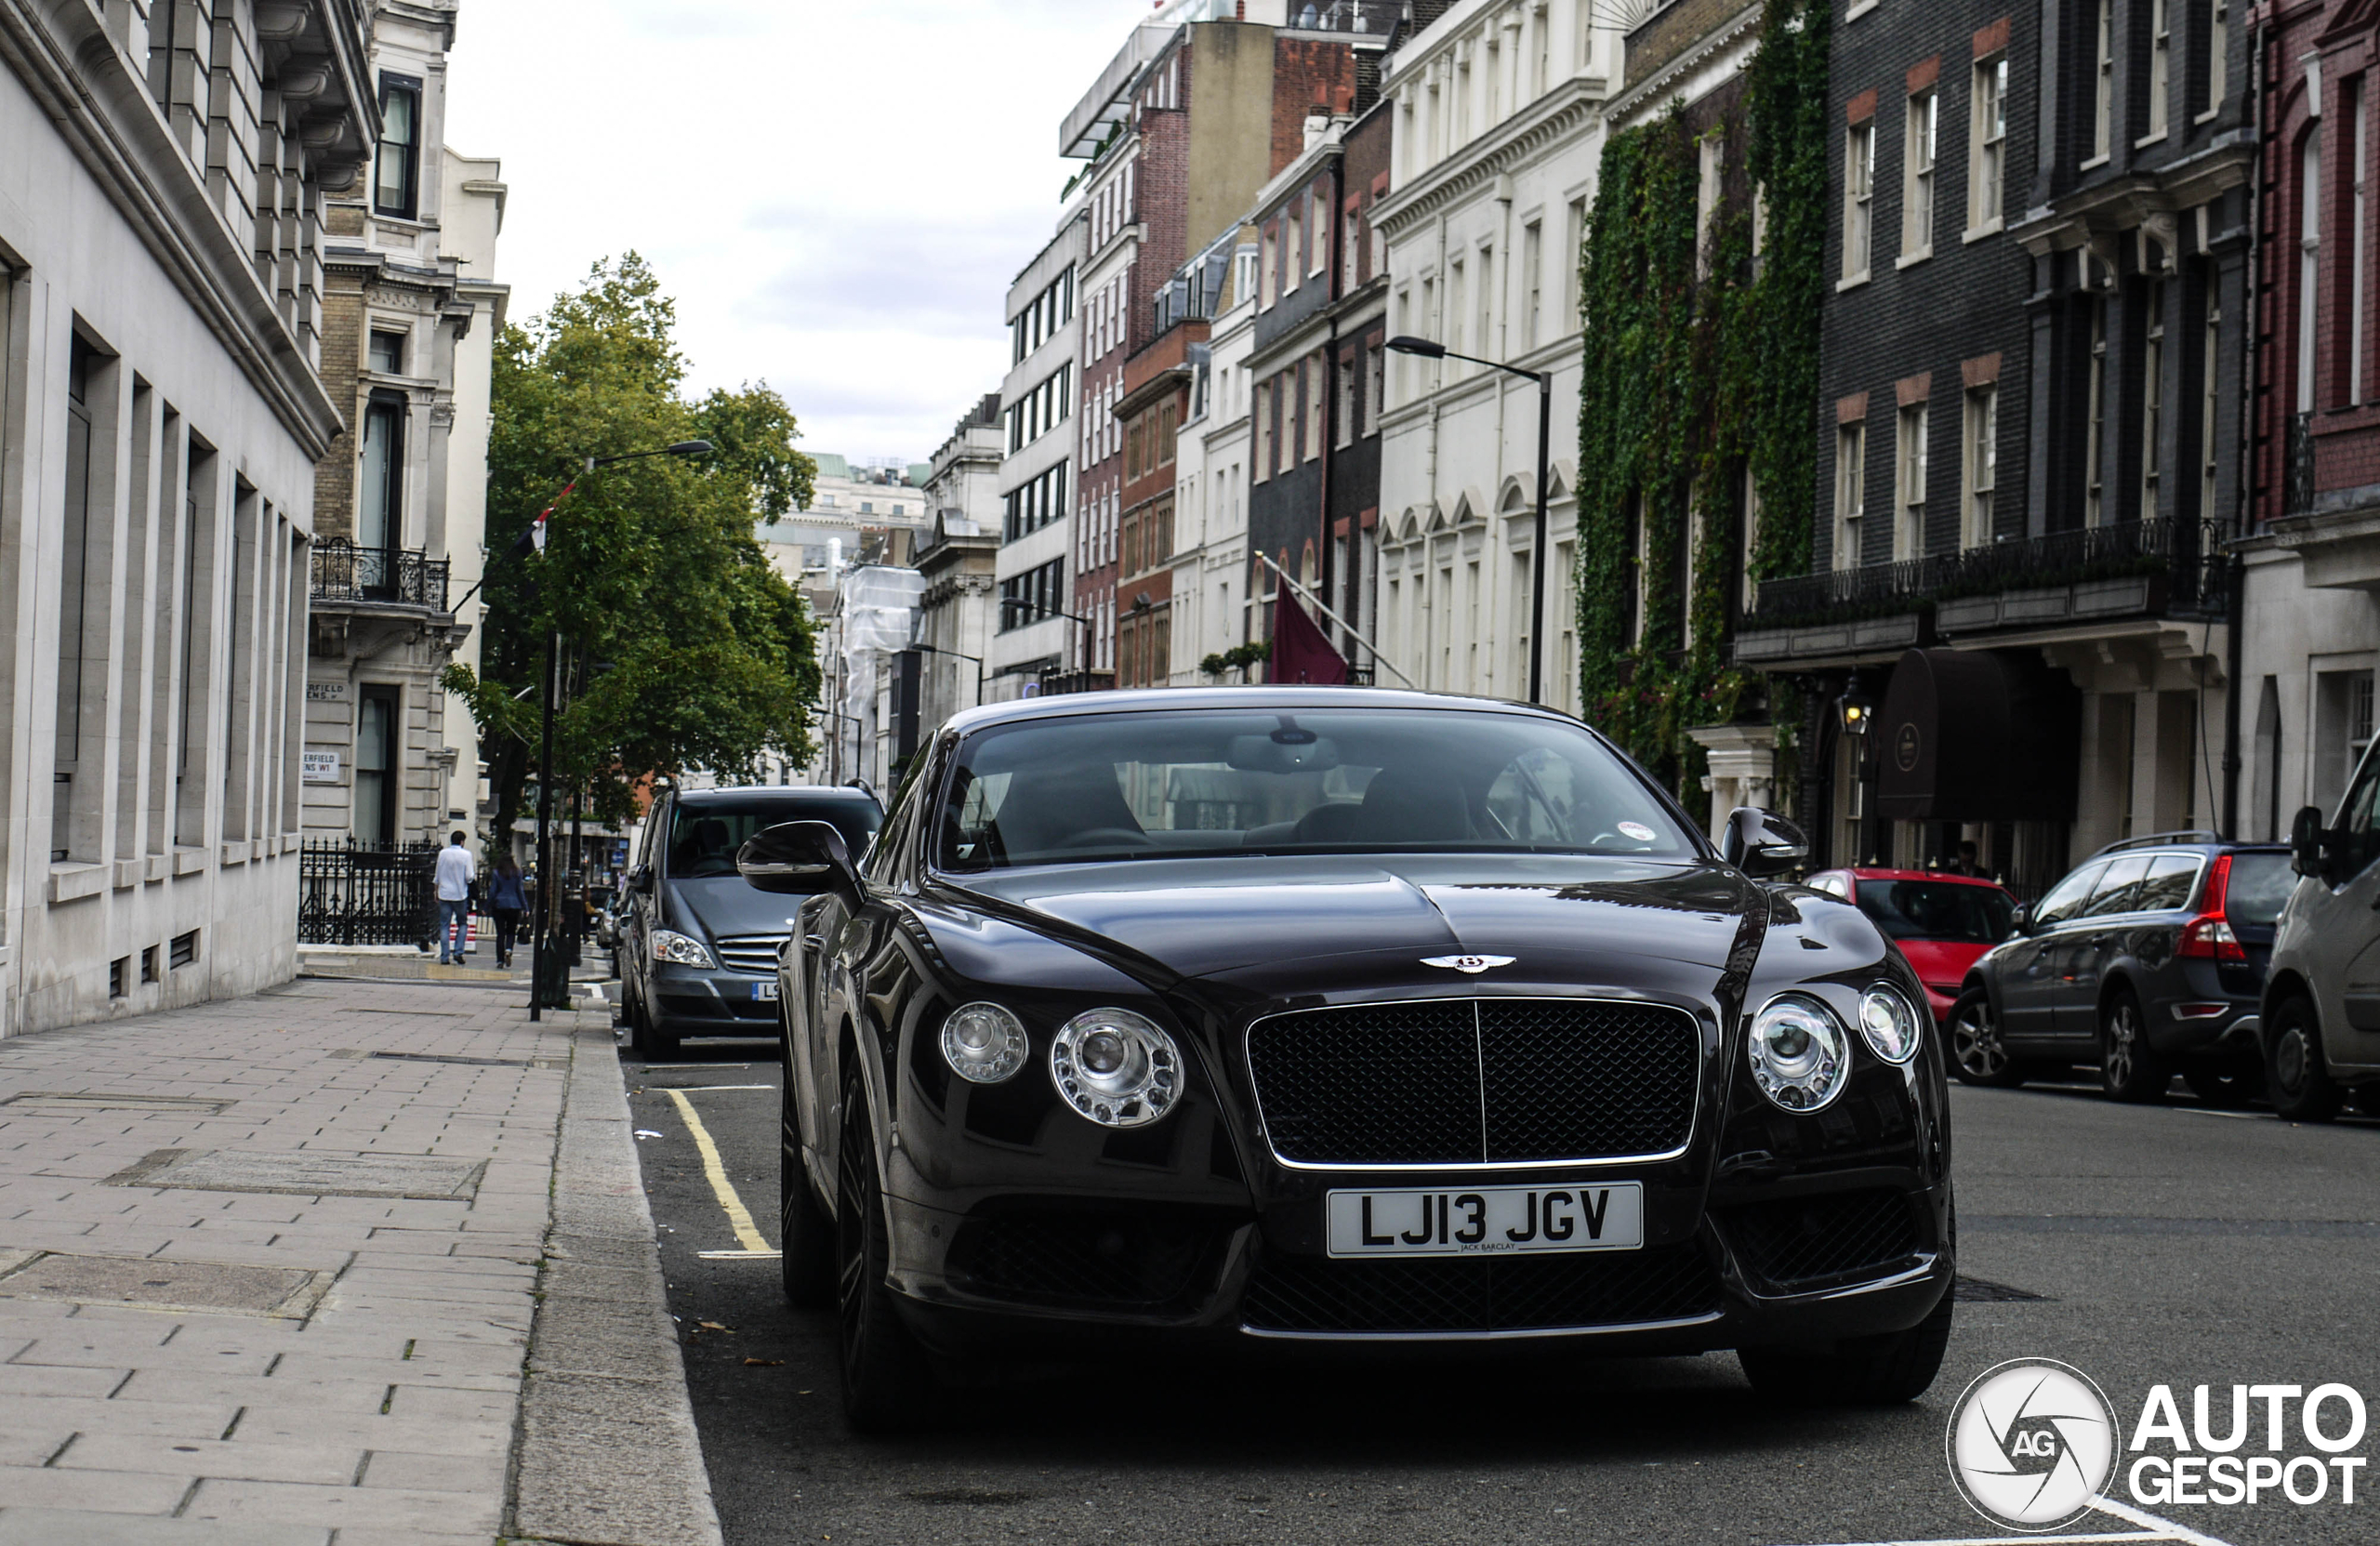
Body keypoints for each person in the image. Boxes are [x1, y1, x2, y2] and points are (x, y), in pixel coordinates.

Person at [433, 832, 476, 965]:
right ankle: (458, 952)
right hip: (459, 894)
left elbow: (437, 875)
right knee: (462, 923)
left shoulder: (443, 854)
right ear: (462, 841)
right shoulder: (466, 855)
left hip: (444, 893)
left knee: (444, 925)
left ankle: (445, 956)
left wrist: (435, 891)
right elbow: (469, 877)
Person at [488, 852, 528, 970]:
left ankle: (500, 960)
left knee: (500, 934)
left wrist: (486, 906)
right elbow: (520, 891)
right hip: (514, 905)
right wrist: (525, 907)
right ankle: (509, 949)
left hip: (499, 905)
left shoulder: (496, 873)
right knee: (511, 931)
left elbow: (492, 891)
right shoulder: (517, 873)